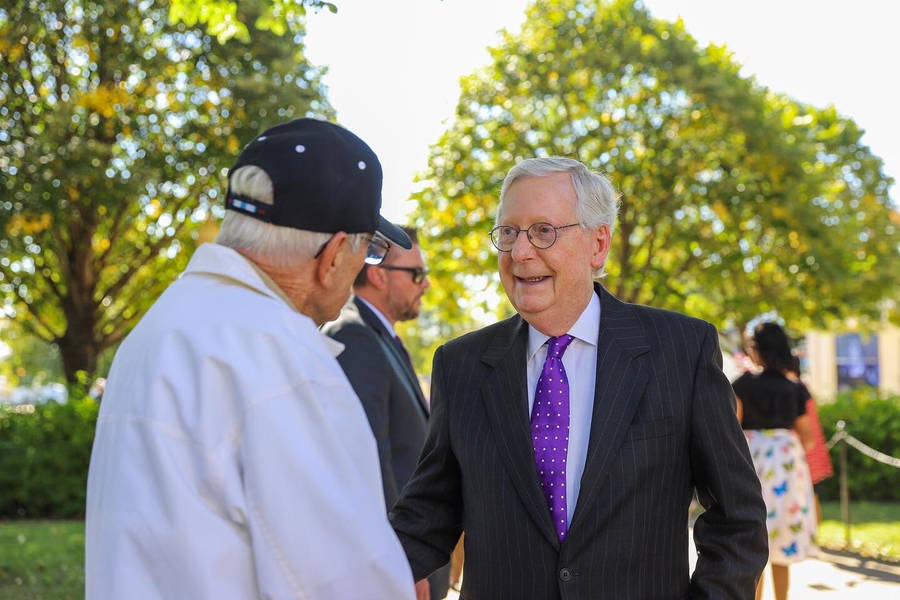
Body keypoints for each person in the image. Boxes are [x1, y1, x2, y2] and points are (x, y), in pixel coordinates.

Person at [389, 157, 768, 599]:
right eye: (508, 233)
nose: (520, 252)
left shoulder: (681, 351)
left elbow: (738, 517)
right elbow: (431, 510)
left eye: (543, 231)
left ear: (598, 244)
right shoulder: (461, 364)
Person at [85, 118, 418, 599]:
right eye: (368, 251)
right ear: (333, 255)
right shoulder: (284, 361)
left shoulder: (157, 328)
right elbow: (340, 582)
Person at [322, 226, 451, 600]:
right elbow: (366, 467)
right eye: (416, 274)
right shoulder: (354, 336)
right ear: (378, 274)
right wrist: (400, 567)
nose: (424, 285)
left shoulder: (380, 338)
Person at [733, 322, 817, 600]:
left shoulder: (742, 385)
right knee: (782, 537)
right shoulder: (796, 387)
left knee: (755, 537)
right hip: (786, 464)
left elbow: (733, 425)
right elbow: (808, 437)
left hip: (752, 461)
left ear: (756, 350)